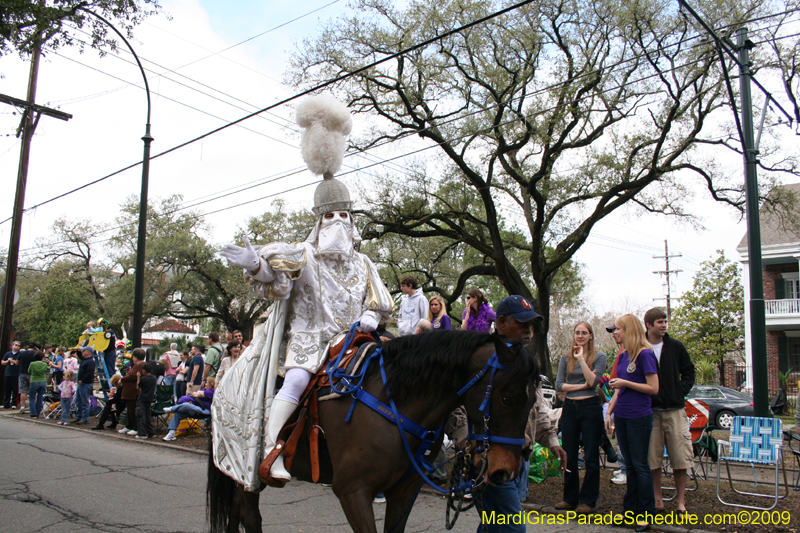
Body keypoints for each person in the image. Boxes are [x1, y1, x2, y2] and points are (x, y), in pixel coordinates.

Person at [218, 94, 394, 486]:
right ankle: (271, 448)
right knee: (297, 380)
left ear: (352, 221)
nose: (337, 221)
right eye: (329, 215)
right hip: (311, 341)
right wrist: (255, 264)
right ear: (318, 220)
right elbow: (276, 277)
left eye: (344, 215)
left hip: (356, 342)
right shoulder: (305, 254)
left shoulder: (364, 263)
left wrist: (369, 315)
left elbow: (380, 304)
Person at [459, 295, 567, 533]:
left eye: (531, 325)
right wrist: (464, 439)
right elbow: (455, 404)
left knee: (493, 525)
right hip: (490, 461)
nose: (528, 331)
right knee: (512, 528)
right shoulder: (481, 360)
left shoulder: (527, 363)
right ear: (501, 324)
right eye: (522, 324)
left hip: (519, 461)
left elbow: (534, 410)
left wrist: (551, 441)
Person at [604, 315, 659, 532]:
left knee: (640, 465)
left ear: (629, 330)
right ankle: (630, 512)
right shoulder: (625, 354)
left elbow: (653, 388)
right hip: (623, 416)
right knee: (629, 467)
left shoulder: (645, 354)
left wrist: (626, 381)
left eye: (617, 329)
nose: (614, 333)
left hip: (639, 417)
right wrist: (610, 413)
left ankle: (645, 514)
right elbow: (619, 389)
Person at [643, 308, 695, 515]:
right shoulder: (641, 347)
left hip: (675, 410)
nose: (664, 325)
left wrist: (678, 391)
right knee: (652, 459)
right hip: (651, 411)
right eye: (659, 322)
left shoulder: (675, 347)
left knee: (680, 458)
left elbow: (689, 372)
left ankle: (681, 502)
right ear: (648, 325)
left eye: (665, 321)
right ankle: (658, 500)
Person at [555, 322, 607, 513]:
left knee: (591, 454)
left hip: (591, 408)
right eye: (577, 332)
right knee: (569, 454)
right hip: (569, 408)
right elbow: (559, 386)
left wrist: (582, 360)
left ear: (591, 336)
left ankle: (587, 501)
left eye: (584, 333)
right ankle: (570, 498)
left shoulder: (599, 357)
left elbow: (594, 382)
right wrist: (582, 386)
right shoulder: (565, 358)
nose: (580, 336)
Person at [162, 377, 216, 441]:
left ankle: (171, 409)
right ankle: (171, 433)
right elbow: (192, 396)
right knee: (178, 414)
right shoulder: (203, 390)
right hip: (196, 409)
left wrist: (198, 393)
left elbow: (202, 394)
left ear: (211, 384)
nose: (205, 384)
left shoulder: (213, 392)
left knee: (187, 405)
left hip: (205, 411)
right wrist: (194, 395)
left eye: (206, 383)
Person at [119, 349, 146, 436]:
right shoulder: (138, 365)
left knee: (133, 410)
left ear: (135, 357)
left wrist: (122, 379)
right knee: (130, 410)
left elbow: (132, 376)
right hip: (130, 392)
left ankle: (135, 427)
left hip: (133, 392)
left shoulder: (140, 365)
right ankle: (129, 425)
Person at [74, 347, 96, 425]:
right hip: (81, 383)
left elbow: (90, 373)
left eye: (84, 351)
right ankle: (79, 416)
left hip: (85, 383)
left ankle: (84, 418)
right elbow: (80, 356)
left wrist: (83, 380)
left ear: (88, 352)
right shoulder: (85, 359)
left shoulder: (90, 362)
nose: (82, 352)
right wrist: (78, 351)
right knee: (78, 401)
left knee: (84, 401)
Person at [136, 363, 157, 439]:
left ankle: (142, 433)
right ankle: (151, 431)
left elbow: (138, 387)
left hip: (142, 398)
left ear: (144, 370)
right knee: (148, 414)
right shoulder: (154, 378)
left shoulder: (143, 379)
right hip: (149, 398)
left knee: (141, 415)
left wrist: (138, 377)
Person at [16, 342, 38, 413]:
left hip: (22, 373)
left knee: (23, 391)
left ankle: (22, 406)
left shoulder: (22, 353)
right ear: (35, 347)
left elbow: (17, 362)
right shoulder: (35, 354)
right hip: (32, 374)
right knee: (33, 391)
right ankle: (33, 406)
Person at [28, 351, 49, 418]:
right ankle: (37, 413)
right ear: (42, 358)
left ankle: (33, 413)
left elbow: (29, 371)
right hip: (42, 381)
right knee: (40, 398)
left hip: (34, 380)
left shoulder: (32, 364)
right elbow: (46, 371)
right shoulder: (44, 364)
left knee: (32, 397)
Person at [2, 340, 21, 409]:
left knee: (15, 389)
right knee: (7, 389)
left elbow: (21, 363)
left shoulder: (20, 354)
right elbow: (2, 362)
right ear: (12, 345)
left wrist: (15, 362)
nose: (17, 347)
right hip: (8, 373)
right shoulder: (8, 354)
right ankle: (6, 403)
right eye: (16, 345)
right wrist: (8, 361)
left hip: (16, 373)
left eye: (18, 346)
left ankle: (14, 403)